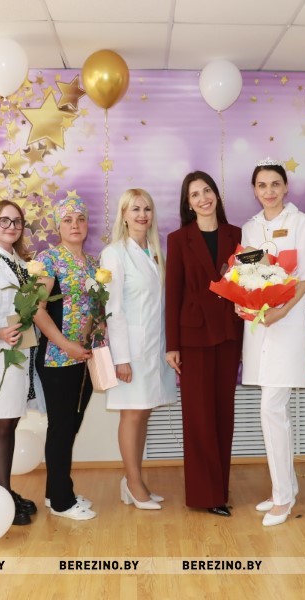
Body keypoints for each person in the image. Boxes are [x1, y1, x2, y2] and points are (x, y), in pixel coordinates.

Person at [239, 159, 305, 527]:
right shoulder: (250, 227)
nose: (268, 191)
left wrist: (281, 312)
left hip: (286, 327)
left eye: (275, 184)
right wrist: (243, 302)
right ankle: (283, 488)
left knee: (272, 409)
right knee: (272, 410)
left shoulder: (301, 223)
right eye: (262, 185)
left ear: (286, 187)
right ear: (254, 190)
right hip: (259, 327)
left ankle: (283, 498)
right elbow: (245, 274)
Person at [165, 172, 243, 517]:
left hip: (228, 333)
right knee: (198, 416)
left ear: (216, 195)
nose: (203, 198)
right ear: (188, 203)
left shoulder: (237, 234)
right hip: (193, 336)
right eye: (194, 194)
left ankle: (220, 490)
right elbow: (173, 293)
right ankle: (204, 494)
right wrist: (172, 345)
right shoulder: (178, 239)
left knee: (223, 412)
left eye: (207, 190)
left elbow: (247, 284)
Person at [102, 189, 177, 511]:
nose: (142, 215)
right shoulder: (114, 254)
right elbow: (113, 309)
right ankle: (133, 483)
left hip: (154, 347)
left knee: (144, 412)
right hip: (131, 350)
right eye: (135, 209)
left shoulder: (156, 252)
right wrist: (121, 359)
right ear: (123, 215)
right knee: (131, 414)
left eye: (147, 209)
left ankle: (134, 480)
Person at [0, 199, 42, 525]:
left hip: (21, 353)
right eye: (4, 220)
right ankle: (2, 496)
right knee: (1, 424)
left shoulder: (22, 263)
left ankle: (6, 491)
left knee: (11, 421)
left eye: (17, 221)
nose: (11, 226)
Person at [32, 197, 98, 521]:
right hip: (57, 357)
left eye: (80, 219)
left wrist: (92, 335)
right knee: (61, 427)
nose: (75, 225)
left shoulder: (93, 264)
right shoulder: (48, 260)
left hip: (83, 358)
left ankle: (54, 491)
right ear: (58, 226)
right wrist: (66, 344)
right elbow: (37, 310)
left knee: (71, 425)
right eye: (68, 220)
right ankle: (62, 501)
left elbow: (94, 307)